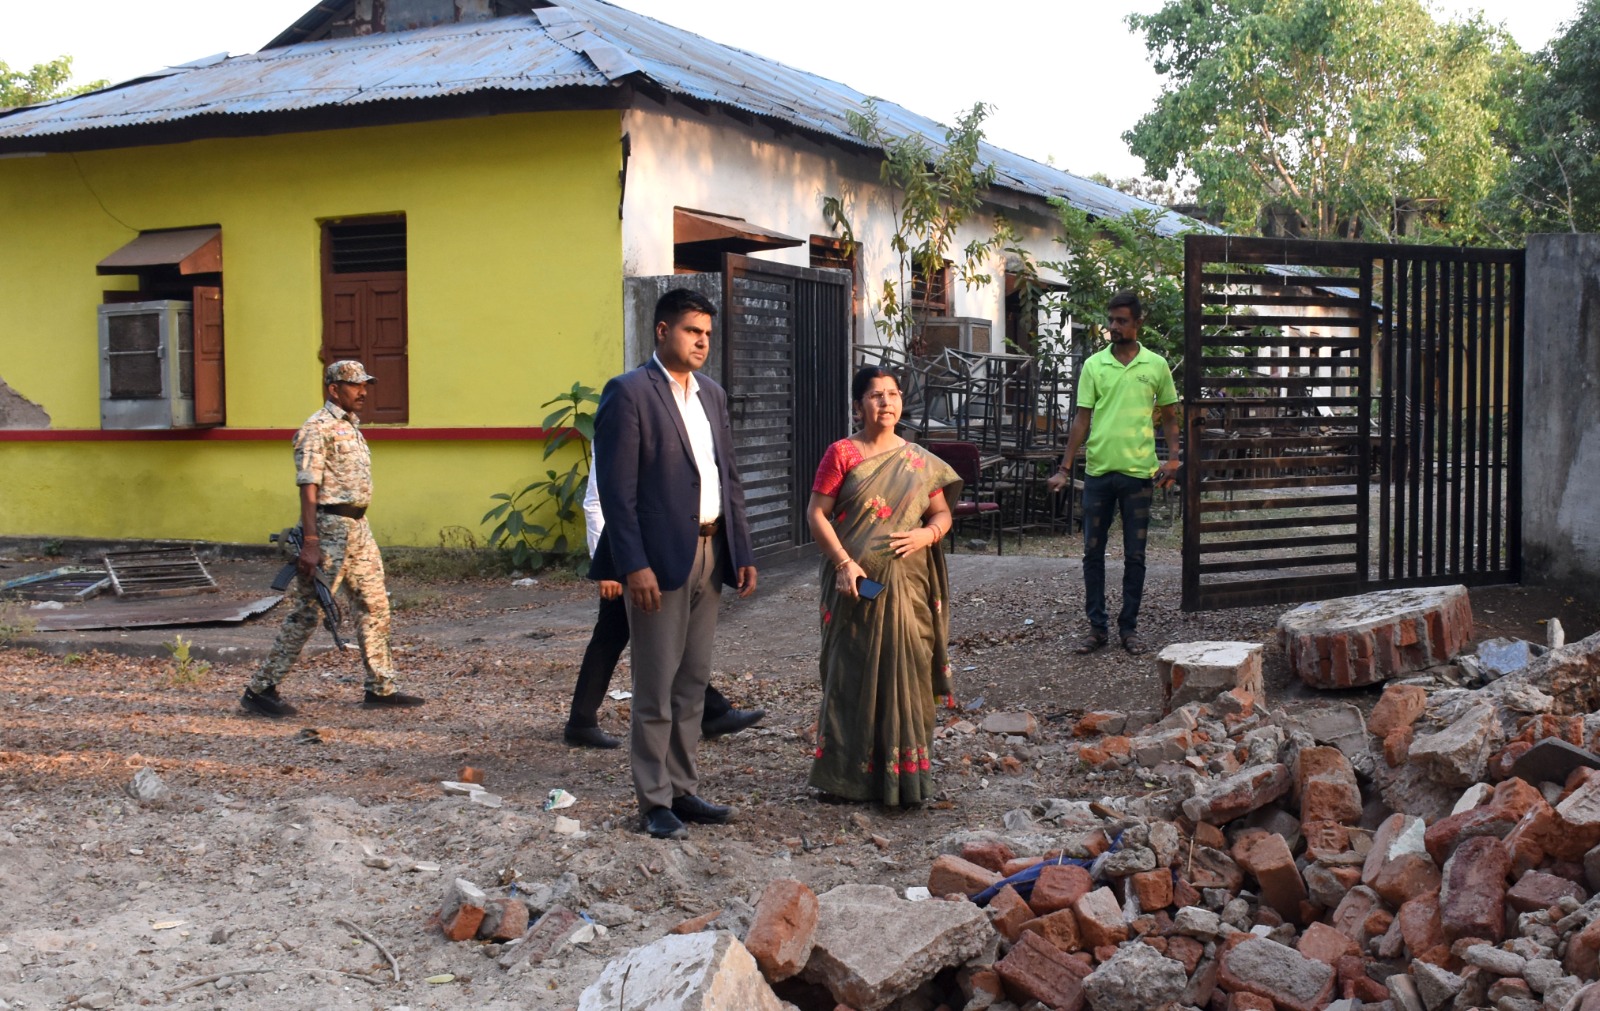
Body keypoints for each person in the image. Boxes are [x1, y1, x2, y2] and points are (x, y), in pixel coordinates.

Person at [589, 288, 758, 840]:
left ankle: (683, 789)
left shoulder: (712, 395)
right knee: (656, 684)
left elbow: (727, 477)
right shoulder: (630, 393)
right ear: (662, 331)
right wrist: (632, 564)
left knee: (692, 680)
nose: (702, 342)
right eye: (692, 331)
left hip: (711, 550)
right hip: (657, 560)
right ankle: (654, 800)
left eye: (707, 333)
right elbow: (617, 493)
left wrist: (742, 550)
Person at [804, 366, 960, 806]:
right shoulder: (841, 454)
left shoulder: (917, 460)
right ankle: (845, 779)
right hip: (851, 583)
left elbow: (941, 513)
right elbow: (816, 513)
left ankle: (906, 779)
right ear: (859, 406)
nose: (886, 402)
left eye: (893, 394)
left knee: (909, 667)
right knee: (849, 672)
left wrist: (926, 534)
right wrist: (843, 563)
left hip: (909, 585)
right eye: (876, 395)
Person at [242, 360, 424, 717]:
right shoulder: (316, 428)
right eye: (355, 385)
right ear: (334, 389)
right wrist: (311, 541)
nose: (363, 392)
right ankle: (260, 689)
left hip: (358, 528)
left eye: (364, 385)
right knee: (308, 612)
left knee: (374, 606)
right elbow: (308, 486)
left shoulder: (352, 427)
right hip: (327, 529)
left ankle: (381, 688)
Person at [563, 445, 766, 749]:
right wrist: (608, 566)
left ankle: (582, 720)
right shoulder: (622, 419)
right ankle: (712, 712)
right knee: (623, 636)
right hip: (626, 556)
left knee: (639, 636)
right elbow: (597, 500)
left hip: (653, 549)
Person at [1045, 290, 1181, 656]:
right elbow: (1082, 419)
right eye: (1111, 320)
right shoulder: (1094, 366)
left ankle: (1129, 628)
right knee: (1092, 553)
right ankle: (1097, 627)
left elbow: (1170, 416)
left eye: (1122, 321)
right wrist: (1064, 468)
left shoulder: (1156, 366)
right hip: (1099, 475)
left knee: (1135, 556)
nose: (1114, 327)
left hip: (1139, 475)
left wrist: (1173, 460)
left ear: (1138, 323)